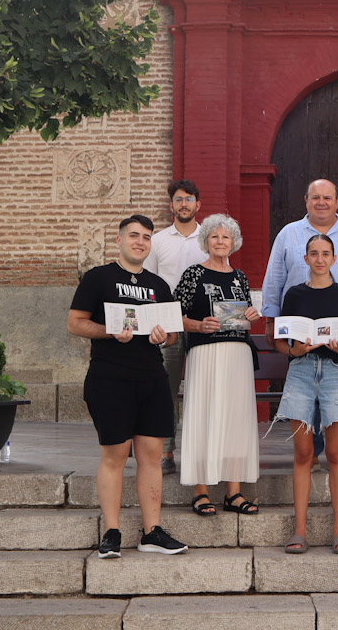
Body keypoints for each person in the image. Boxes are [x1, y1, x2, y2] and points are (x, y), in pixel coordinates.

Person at [67, 215, 188, 557]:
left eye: (146, 237)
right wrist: (109, 332)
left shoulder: (159, 285)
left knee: (151, 456)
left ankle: (152, 532)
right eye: (133, 235)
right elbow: (75, 323)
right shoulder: (99, 278)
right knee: (115, 456)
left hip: (151, 377)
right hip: (110, 378)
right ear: (119, 240)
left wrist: (165, 338)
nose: (140, 242)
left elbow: (173, 333)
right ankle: (112, 531)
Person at [261, 179, 338, 472]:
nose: (321, 202)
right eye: (315, 197)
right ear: (306, 200)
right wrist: (270, 320)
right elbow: (274, 278)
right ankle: (312, 451)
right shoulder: (289, 234)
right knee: (305, 389)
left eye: (327, 197)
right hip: (300, 326)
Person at [273, 234, 338, 554]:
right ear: (306, 259)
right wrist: (294, 348)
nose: (320, 259)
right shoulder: (294, 295)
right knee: (303, 454)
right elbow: (278, 342)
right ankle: (300, 530)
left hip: (336, 374)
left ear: (334, 259)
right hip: (300, 372)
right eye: (314, 253)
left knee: (337, 454)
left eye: (326, 253)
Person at [174, 213, 261, 516]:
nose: (220, 241)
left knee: (235, 420)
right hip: (206, 353)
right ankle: (201, 491)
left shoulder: (240, 277)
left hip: (237, 355)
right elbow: (175, 315)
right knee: (204, 415)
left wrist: (251, 315)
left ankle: (233, 493)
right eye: (215, 237)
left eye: (225, 237)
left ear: (233, 242)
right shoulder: (193, 275)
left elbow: (244, 312)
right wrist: (198, 325)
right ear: (206, 241)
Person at [143, 180, 208, 475]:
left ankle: (200, 450)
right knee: (165, 389)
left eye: (189, 199)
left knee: (201, 388)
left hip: (202, 322)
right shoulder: (158, 241)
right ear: (171, 206)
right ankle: (166, 450)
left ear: (198, 204)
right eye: (179, 200)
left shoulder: (208, 239)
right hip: (167, 321)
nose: (184, 204)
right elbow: (151, 283)